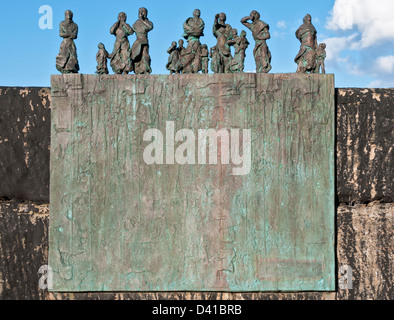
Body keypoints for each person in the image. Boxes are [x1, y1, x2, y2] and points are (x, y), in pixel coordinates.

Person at [131, 7, 154, 74]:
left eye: (143, 11)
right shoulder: (136, 22)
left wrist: (142, 20)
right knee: (137, 56)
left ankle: (145, 69)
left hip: (144, 40)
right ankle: (138, 70)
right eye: (140, 11)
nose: (141, 13)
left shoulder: (147, 22)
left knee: (145, 55)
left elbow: (150, 27)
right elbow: (131, 31)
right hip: (138, 41)